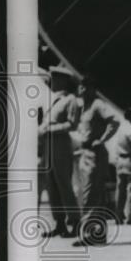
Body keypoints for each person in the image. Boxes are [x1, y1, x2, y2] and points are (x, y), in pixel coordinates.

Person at [72, 78, 121, 246]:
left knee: (90, 193)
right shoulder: (83, 108)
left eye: (85, 85)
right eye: (80, 85)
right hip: (85, 152)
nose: (81, 88)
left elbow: (114, 122)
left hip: (95, 153)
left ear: (93, 88)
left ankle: (89, 234)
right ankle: (98, 234)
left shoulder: (97, 105)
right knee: (93, 195)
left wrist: (102, 139)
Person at [38, 65, 81, 238]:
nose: (51, 81)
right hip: (49, 145)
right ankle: (60, 223)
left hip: (60, 144)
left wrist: (50, 129)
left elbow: (72, 124)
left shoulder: (71, 100)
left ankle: (75, 222)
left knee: (63, 184)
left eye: (54, 78)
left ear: (63, 80)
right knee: (51, 185)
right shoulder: (55, 100)